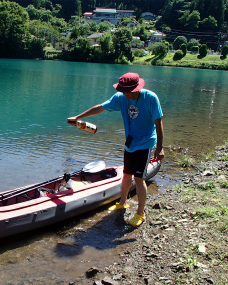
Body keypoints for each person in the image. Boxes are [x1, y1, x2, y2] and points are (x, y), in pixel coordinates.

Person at [67, 72, 164, 227]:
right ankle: (123, 202)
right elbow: (100, 108)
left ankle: (140, 212)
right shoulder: (121, 98)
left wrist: (159, 148)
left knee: (139, 178)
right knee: (126, 174)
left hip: (146, 143)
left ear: (136, 89)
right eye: (122, 91)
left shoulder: (150, 98)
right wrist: (78, 117)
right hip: (130, 143)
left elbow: (158, 123)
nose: (124, 94)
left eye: (127, 91)